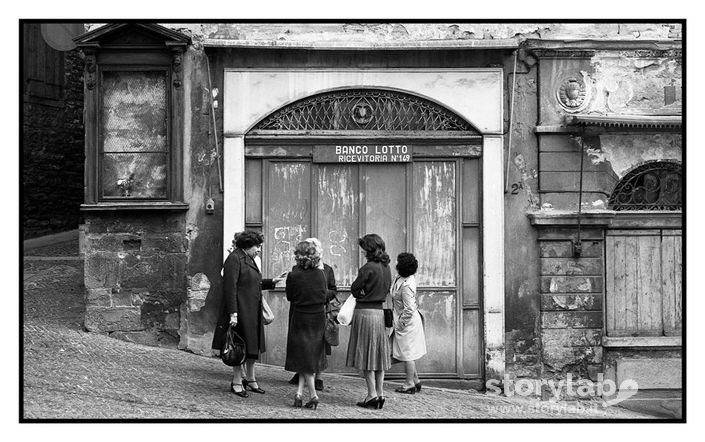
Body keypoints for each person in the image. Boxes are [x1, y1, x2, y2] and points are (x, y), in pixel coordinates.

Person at [211, 230, 286, 398]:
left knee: (253, 348)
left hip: (252, 311)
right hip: (241, 312)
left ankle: (251, 379)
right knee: (240, 347)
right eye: (257, 246)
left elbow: (252, 283)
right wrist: (233, 314)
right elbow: (230, 288)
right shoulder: (234, 259)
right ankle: (237, 381)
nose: (259, 249)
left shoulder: (247, 258)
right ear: (247, 245)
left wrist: (271, 281)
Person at [346, 233, 392, 410]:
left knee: (366, 356)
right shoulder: (386, 267)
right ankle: (380, 394)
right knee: (379, 356)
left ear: (368, 249)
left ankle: (371, 394)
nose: (362, 251)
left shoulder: (368, 268)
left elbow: (355, 289)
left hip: (364, 313)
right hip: (379, 313)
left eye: (364, 248)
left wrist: (363, 293)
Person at [284, 239, 329, 410]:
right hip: (318, 318)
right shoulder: (321, 275)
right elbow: (325, 296)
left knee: (303, 356)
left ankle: (313, 395)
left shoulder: (293, 275)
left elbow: (290, 297)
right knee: (309, 355)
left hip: (300, 316)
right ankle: (299, 394)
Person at [288, 238, 337, 391]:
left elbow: (291, 295)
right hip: (314, 313)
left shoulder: (324, 271)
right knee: (307, 347)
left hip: (310, 312)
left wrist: (316, 294)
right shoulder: (318, 274)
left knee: (311, 347)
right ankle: (302, 387)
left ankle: (313, 384)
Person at [390, 252, 427, 394]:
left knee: (408, 354)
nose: (395, 263)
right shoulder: (399, 277)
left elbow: (409, 309)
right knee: (408, 352)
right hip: (403, 321)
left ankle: (409, 383)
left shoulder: (406, 285)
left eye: (398, 261)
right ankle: (416, 380)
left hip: (408, 323)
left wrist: (400, 324)